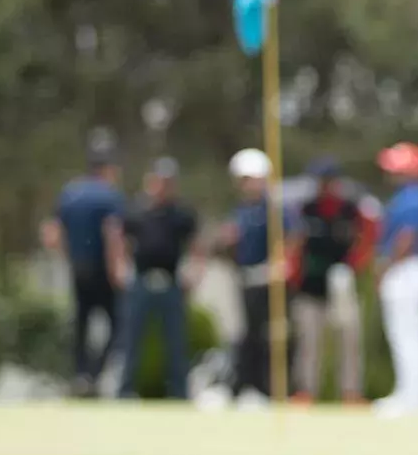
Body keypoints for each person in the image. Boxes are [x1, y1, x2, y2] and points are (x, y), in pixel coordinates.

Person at [291, 156, 380, 406]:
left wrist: (351, 265)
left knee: (349, 339)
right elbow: (295, 244)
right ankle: (306, 392)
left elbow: (366, 240)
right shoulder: (305, 209)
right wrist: (294, 275)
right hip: (310, 286)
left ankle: (351, 392)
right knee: (309, 342)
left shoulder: (350, 209)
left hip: (342, 286)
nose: (323, 186)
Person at [217, 148, 298, 407]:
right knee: (248, 336)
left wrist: (281, 262)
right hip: (247, 279)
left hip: (268, 279)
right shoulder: (242, 209)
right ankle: (246, 388)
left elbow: (294, 237)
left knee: (269, 337)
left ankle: (268, 391)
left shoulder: (274, 207)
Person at [116, 158, 202, 399]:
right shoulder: (136, 210)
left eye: (168, 182)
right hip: (141, 281)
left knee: (175, 343)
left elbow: (196, 245)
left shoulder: (181, 214)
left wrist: (194, 273)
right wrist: (120, 269)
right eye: (159, 181)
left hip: (171, 282)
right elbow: (119, 239)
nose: (162, 187)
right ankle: (125, 392)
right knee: (131, 340)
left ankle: (179, 394)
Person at [44, 149, 127, 397]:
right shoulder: (110, 196)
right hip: (103, 270)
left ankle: (80, 374)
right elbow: (113, 234)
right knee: (118, 324)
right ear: (108, 169)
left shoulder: (70, 193)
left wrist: (68, 258)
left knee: (81, 323)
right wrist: (117, 269)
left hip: (78, 268)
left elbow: (51, 233)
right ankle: (94, 373)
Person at [374, 141, 418, 414]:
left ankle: (414, 397)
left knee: (408, 335)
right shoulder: (406, 196)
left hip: (406, 269)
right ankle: (408, 393)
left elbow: (406, 238)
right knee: (403, 335)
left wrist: (385, 266)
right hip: (405, 269)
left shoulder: (413, 197)